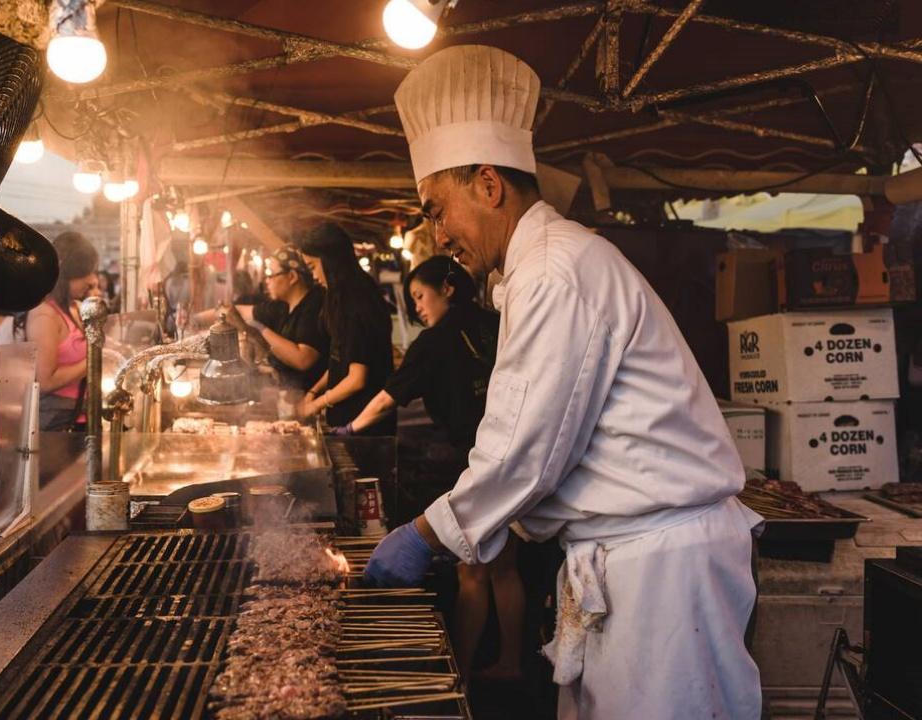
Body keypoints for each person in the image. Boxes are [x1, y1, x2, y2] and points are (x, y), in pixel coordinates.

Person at [363, 45, 763, 719]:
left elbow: (524, 448)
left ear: (488, 185)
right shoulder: (537, 271)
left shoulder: (555, 271)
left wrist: (427, 534)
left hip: (663, 571)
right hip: (626, 558)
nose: (436, 236)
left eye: (436, 209)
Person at [334, 255, 524, 680]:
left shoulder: (433, 342)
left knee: (470, 570)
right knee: (506, 567)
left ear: (448, 288)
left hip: (476, 461)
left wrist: (350, 428)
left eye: (420, 295)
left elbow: (387, 399)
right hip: (517, 456)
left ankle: (462, 672)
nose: (418, 307)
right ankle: (511, 661)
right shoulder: (497, 323)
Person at [294, 223, 395, 435]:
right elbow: (340, 359)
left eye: (312, 266)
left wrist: (317, 404)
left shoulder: (356, 301)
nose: (313, 275)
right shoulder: (341, 297)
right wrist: (314, 391)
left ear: (329, 259)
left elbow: (357, 379)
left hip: (364, 428)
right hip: (347, 420)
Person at [221, 246, 329, 392]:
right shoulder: (282, 306)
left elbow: (303, 359)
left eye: (271, 274)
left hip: (307, 397)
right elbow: (237, 310)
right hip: (286, 392)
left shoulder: (314, 305)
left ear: (292, 277)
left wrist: (259, 329)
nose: (267, 281)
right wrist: (200, 318)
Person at [27, 231, 99, 431]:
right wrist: (94, 360)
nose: (90, 279)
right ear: (66, 276)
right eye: (84, 273)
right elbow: (46, 380)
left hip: (84, 415)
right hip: (57, 421)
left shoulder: (76, 307)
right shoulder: (45, 315)